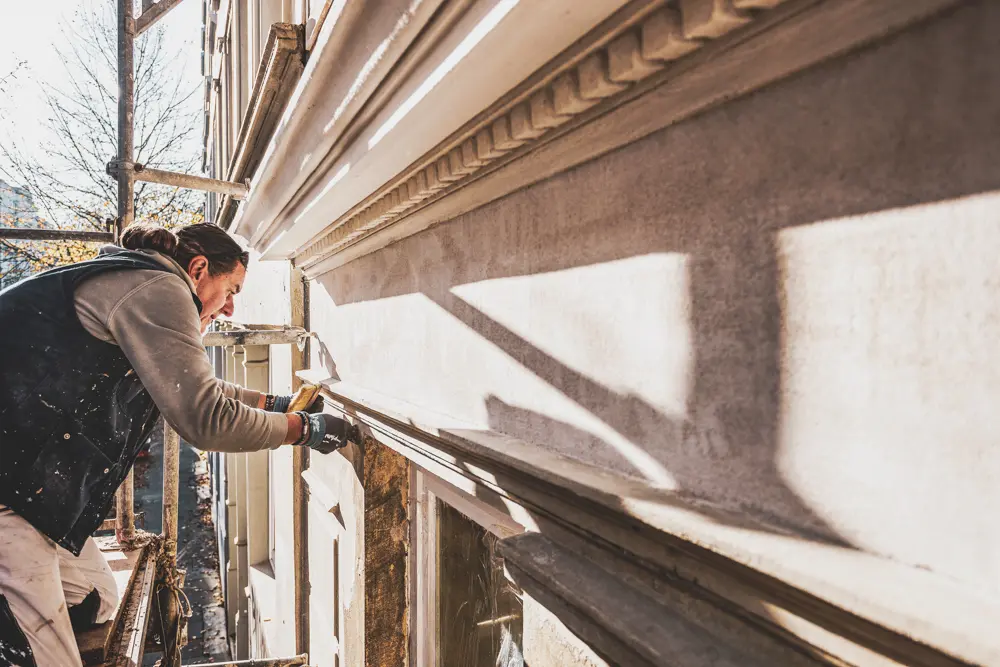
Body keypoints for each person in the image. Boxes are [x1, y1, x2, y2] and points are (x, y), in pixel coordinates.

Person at [0, 223, 357, 667]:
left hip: (32, 489)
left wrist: (273, 404)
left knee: (97, 600)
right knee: (48, 657)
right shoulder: (159, 287)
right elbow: (206, 419)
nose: (229, 309)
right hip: (9, 491)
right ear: (199, 267)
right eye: (231, 290)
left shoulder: (137, 280)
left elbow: (189, 383)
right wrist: (302, 429)